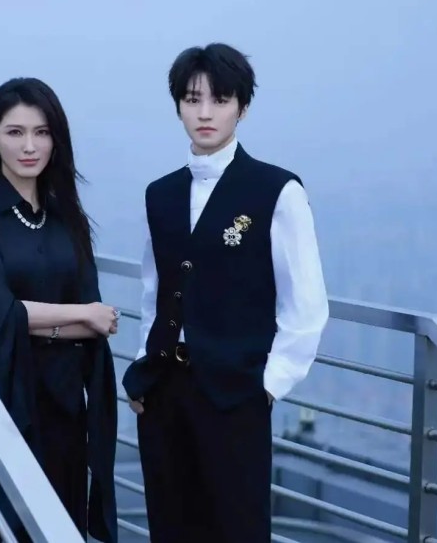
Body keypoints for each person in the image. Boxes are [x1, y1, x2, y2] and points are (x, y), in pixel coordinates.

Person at [121, 43, 330, 542]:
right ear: (178, 106)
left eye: (220, 100)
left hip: (237, 396)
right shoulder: (160, 194)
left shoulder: (277, 190)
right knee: (171, 528)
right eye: (192, 100)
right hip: (164, 394)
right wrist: (144, 367)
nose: (205, 113)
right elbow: (155, 292)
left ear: (243, 107)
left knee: (237, 528)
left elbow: (306, 306)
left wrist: (268, 387)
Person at [0, 76, 120, 543]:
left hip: (65, 401)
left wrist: (55, 320)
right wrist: (77, 317)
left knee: (60, 524)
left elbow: (98, 319)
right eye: (15, 132)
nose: (29, 146)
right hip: (1, 395)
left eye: (41, 132)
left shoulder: (69, 218)